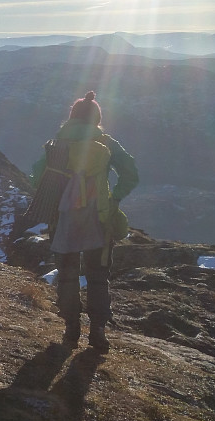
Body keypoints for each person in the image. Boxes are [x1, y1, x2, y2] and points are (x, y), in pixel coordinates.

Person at [31, 91, 138, 352]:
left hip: (63, 217)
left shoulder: (57, 144)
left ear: (72, 117)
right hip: (99, 217)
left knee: (67, 274)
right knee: (98, 275)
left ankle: (71, 329)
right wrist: (114, 200)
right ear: (97, 118)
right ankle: (98, 331)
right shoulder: (106, 142)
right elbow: (131, 173)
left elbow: (36, 176)